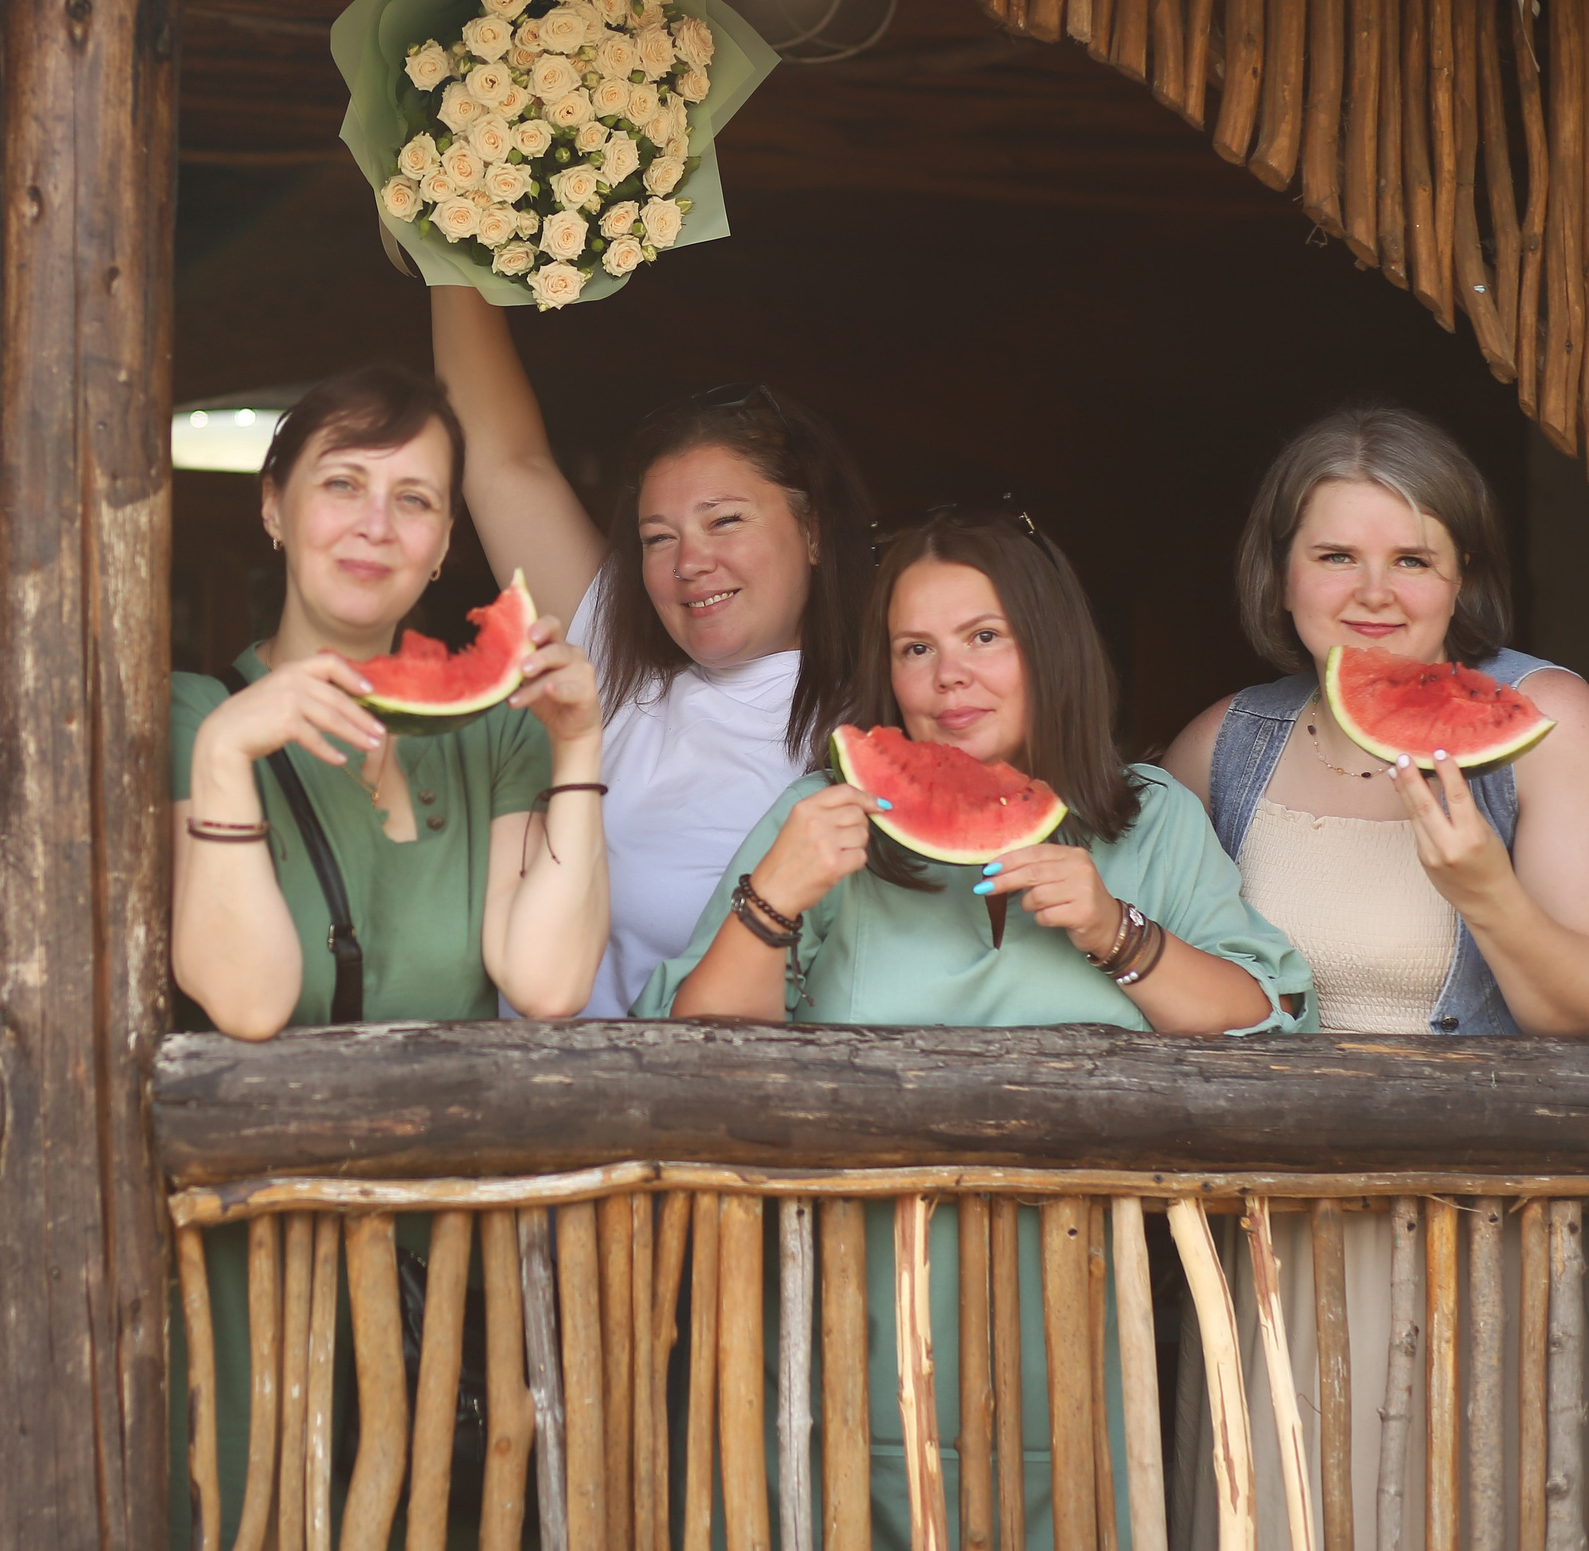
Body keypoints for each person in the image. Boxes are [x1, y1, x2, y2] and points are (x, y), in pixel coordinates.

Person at [637, 506, 1312, 1549]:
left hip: (1087, 1341)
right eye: (915, 649)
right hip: (848, 1336)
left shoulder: (1148, 818)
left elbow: (1265, 1026)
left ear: (1050, 646)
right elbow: (694, 1055)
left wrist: (1113, 931)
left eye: (983, 637)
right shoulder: (824, 817)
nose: (947, 677)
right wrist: (774, 897)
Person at [1160, 406, 1589, 1547]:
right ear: (1280, 576)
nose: (1372, 593)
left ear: (1461, 577)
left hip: (1475, 1245)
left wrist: (1487, 893)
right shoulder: (1224, 744)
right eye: (1335, 556)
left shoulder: (1543, 724)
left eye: (1412, 558)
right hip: (1271, 1258)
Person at [168, 363, 608, 1541]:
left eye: (414, 499)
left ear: (444, 537)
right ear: (272, 507)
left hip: (446, 1261)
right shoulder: (187, 713)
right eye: (342, 485)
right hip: (255, 1254)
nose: (376, 524)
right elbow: (252, 1002)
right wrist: (222, 761)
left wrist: (577, 750)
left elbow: (547, 980)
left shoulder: (499, 730)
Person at [433, 285, 874, 1015]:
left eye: (724, 520)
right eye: (657, 537)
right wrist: (446, 223)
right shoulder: (614, 661)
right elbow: (503, 462)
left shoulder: (883, 720)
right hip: (529, 1102)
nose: (688, 561)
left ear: (817, 530)